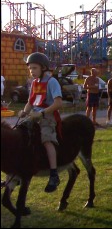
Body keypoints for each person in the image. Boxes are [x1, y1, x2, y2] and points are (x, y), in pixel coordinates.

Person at [18, 52, 62, 193]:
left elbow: (58, 103)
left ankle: (54, 174)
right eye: (30, 68)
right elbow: (30, 102)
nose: (32, 71)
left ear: (43, 68)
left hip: (47, 115)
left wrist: (42, 113)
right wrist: (24, 111)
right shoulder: (34, 83)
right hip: (34, 114)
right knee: (19, 133)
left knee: (46, 140)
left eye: (34, 68)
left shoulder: (52, 82)